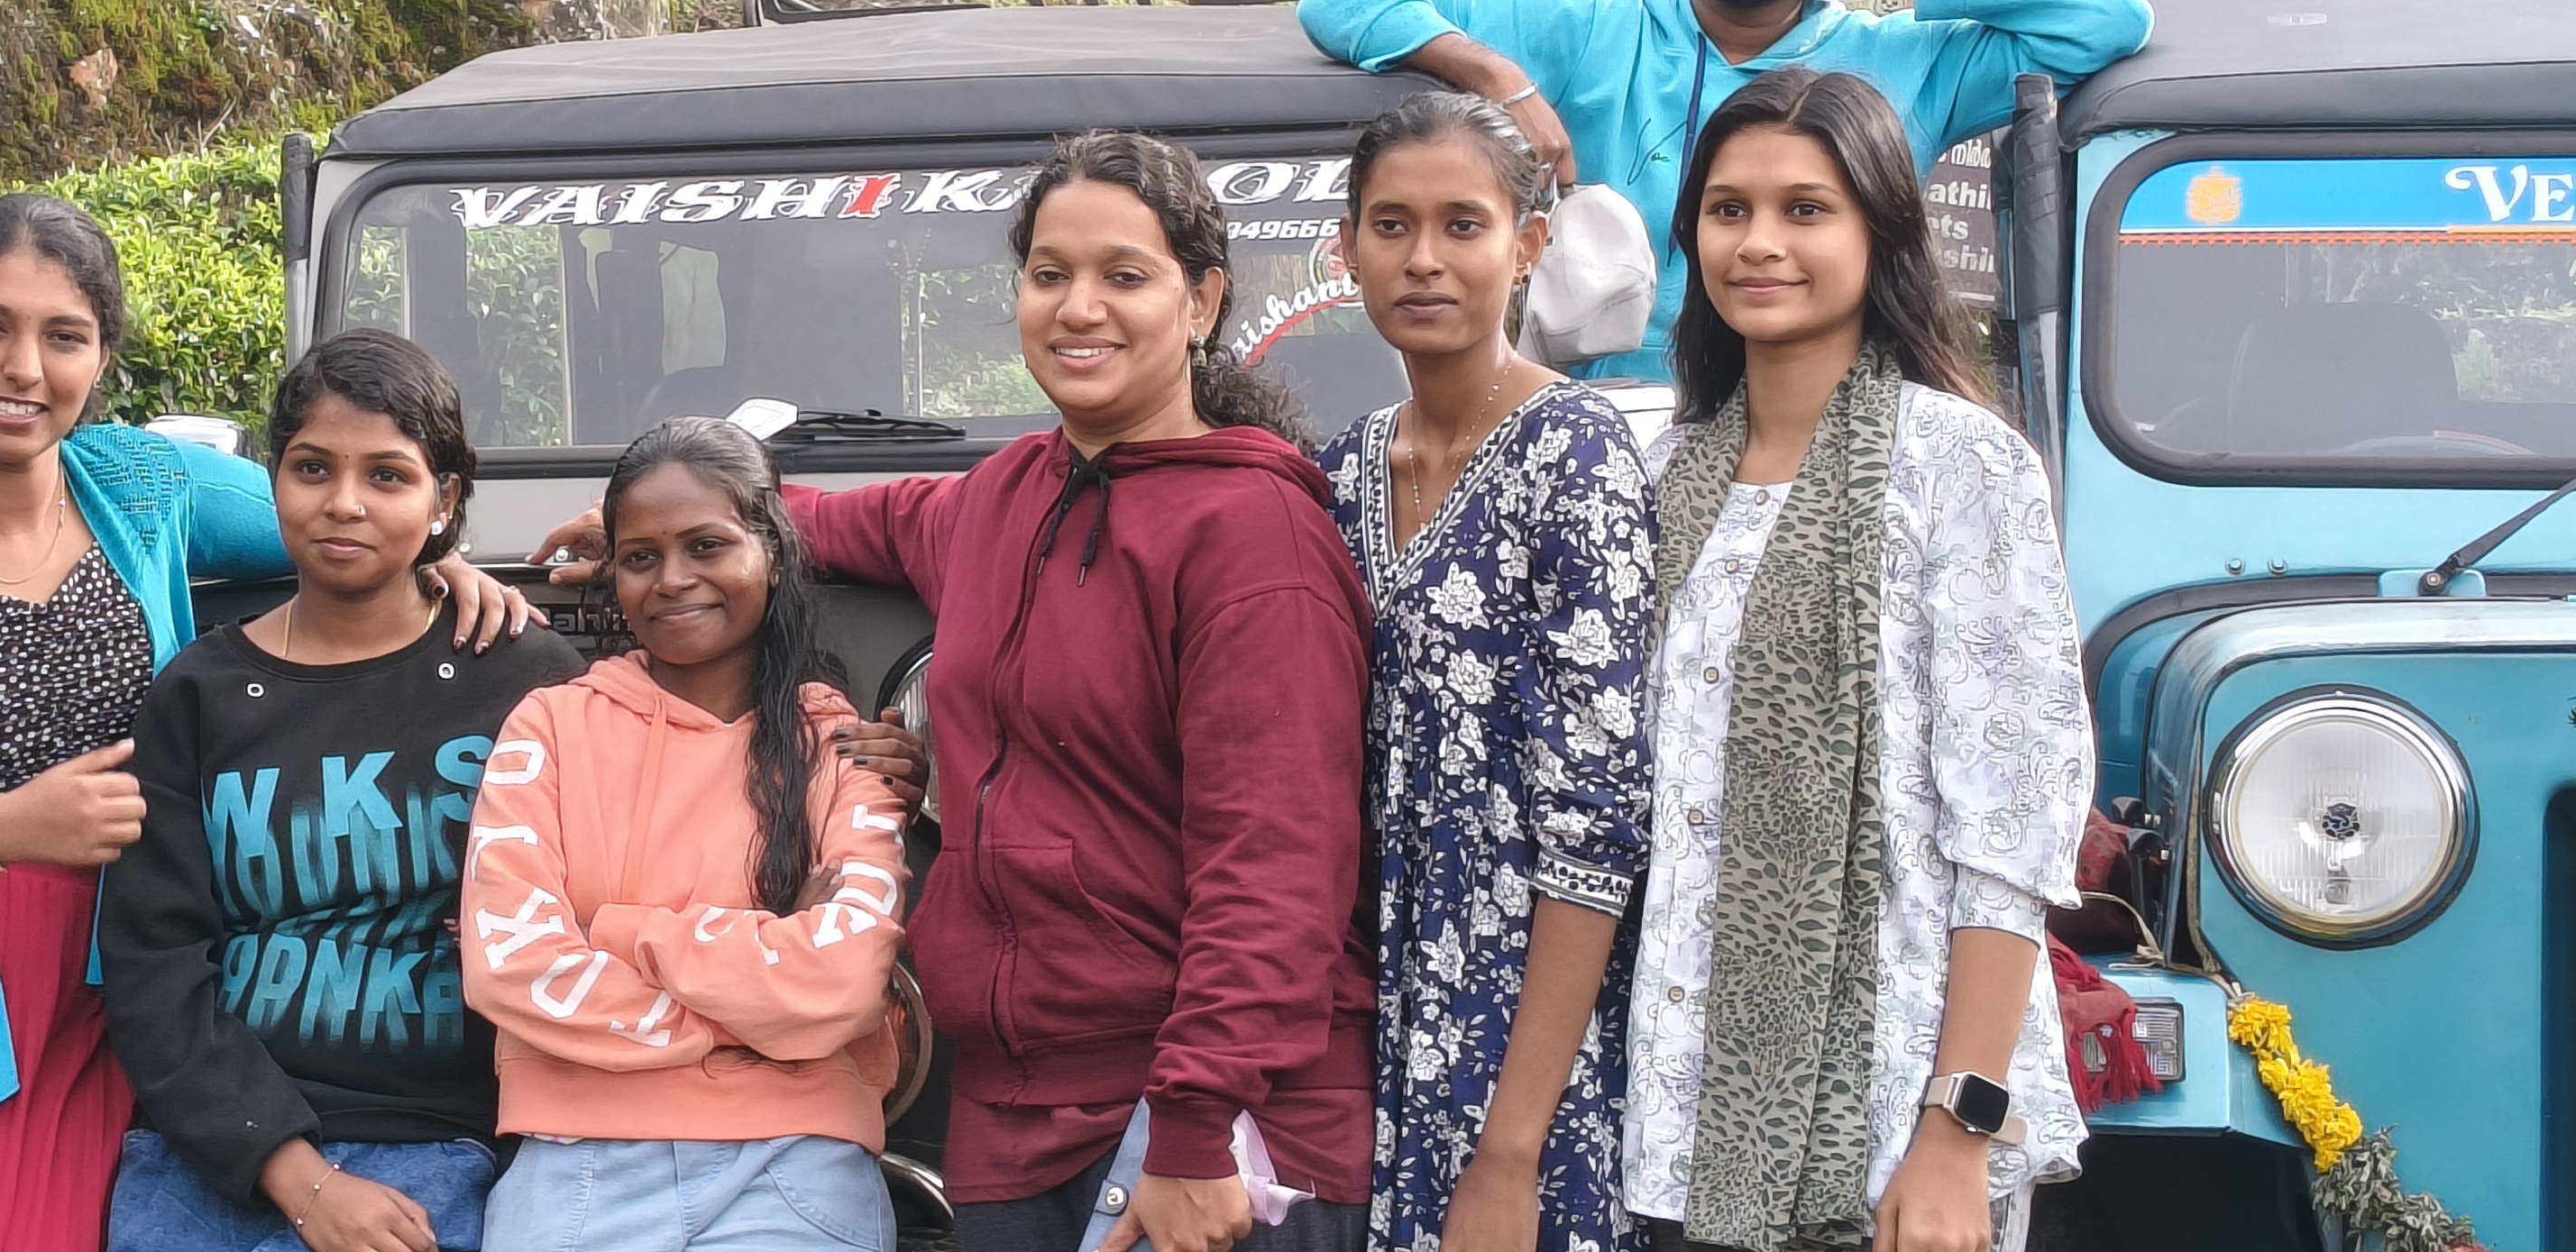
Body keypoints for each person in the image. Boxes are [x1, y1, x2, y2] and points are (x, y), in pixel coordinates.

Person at [542, 130, 1380, 1252]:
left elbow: (1275, 864)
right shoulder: (1005, 498)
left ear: (1202, 299)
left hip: (1201, 1129)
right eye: (1049, 273)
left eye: (1124, 275)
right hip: (1013, 1118)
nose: (1078, 307)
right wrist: (676, 528)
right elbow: (862, 522)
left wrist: (1195, 1126)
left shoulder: (1253, 537)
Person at [0, 197, 538, 1251]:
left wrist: (443, 562)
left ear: (101, 355)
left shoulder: (142, 487)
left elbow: (345, 503)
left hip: (117, 983)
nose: (23, 368)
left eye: (64, 335)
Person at [1618, 69, 2090, 1252]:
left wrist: (1956, 1130)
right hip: (1674, 1116)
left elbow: (2010, 828)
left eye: (1805, 210)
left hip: (1894, 1117)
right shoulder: (1665, 477)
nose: (1757, 243)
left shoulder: (1961, 467)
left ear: (1880, 231)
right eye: (1727, 210)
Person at [1296, 0, 2154, 382]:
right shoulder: (1597, 26)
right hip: (1603, 445)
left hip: (1817, 452)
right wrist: (1494, 77)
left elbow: (2107, 22)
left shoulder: (1908, 67)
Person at [90, 328, 589, 1252]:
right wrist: (298, 1177)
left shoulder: (522, 677)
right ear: (273, 479)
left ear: (445, 500)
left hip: (440, 1146)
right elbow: (154, 964)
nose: (344, 502)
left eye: (388, 476)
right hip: (213, 1152)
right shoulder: (197, 693)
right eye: (313, 468)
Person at [1319, 95, 1658, 1252]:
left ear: (1526, 245)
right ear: (1347, 249)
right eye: (1391, 225)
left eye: (1462, 224)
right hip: (1379, 1003)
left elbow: (1599, 822)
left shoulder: (1574, 452)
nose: (1423, 258)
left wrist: (1512, 1150)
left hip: (1526, 1033)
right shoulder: (1340, 470)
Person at [464, 416, 915, 1252]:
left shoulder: (841, 745)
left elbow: (847, 979)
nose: (673, 580)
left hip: (796, 1163)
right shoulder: (546, 728)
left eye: (706, 546)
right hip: (575, 1166)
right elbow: (511, 968)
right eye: (641, 557)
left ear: (771, 550)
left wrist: (619, 932)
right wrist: (765, 1004)